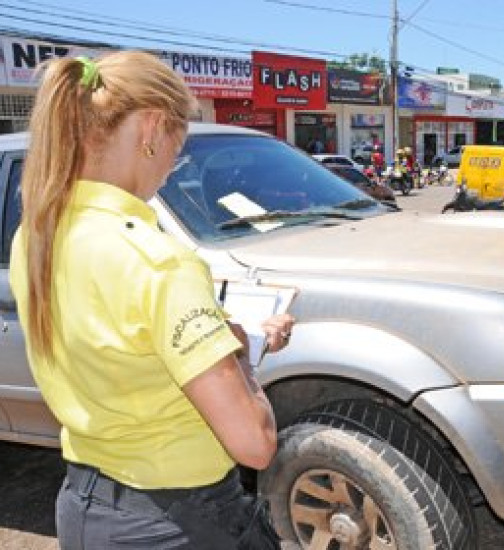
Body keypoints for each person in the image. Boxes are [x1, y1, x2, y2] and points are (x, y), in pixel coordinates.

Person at [9, 52, 292, 548]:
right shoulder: (160, 262)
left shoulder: (34, 238)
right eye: (175, 149)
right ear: (153, 129)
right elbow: (255, 444)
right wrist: (240, 356)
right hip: (179, 522)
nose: (170, 167)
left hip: (85, 506)